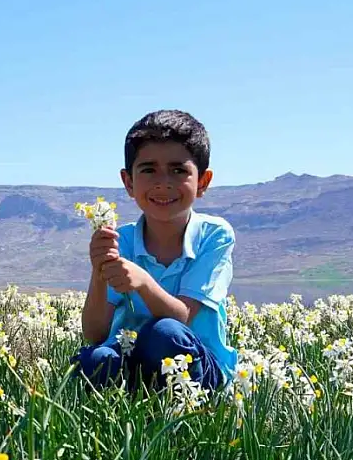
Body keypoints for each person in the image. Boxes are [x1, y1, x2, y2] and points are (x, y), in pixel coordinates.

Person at [74, 109, 238, 393]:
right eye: (149, 169)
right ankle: (125, 423)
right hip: (133, 357)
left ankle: (181, 418)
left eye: (178, 170)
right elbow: (95, 334)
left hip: (197, 367)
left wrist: (143, 282)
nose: (163, 183)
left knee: (165, 334)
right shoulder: (121, 239)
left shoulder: (214, 236)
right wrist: (99, 271)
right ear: (128, 182)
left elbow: (181, 317)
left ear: (202, 182)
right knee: (97, 359)